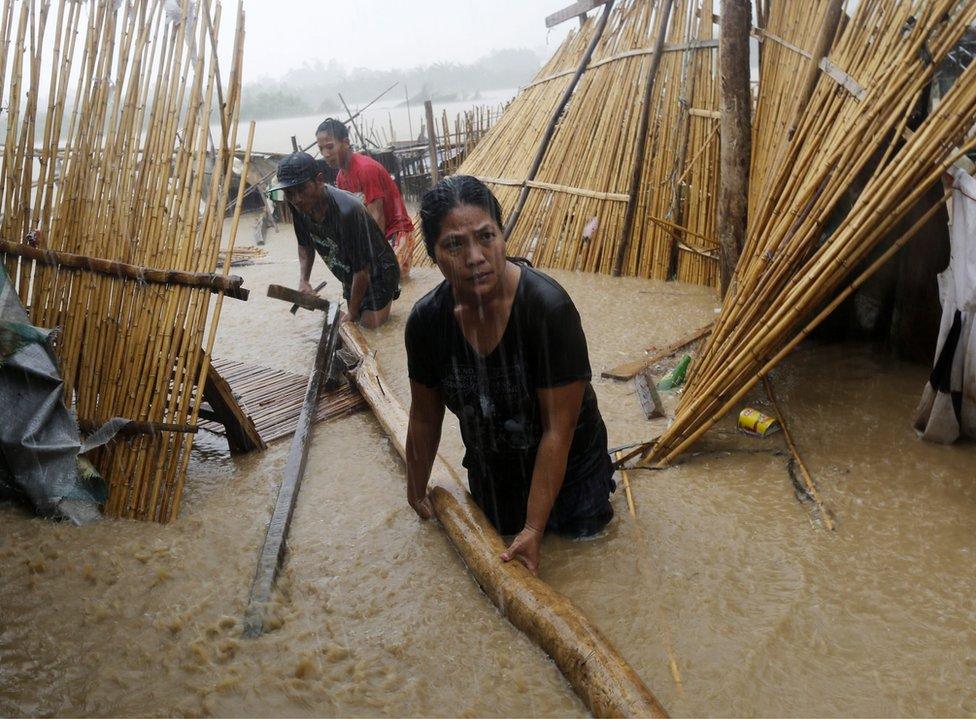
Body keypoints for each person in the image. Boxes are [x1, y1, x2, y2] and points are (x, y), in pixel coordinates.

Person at [403, 175, 615, 575]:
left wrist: (534, 527)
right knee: (499, 547)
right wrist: (416, 488)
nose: (475, 256)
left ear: (503, 237)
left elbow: (558, 429)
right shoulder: (427, 323)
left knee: (586, 552)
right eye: (454, 244)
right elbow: (425, 416)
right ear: (432, 255)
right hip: (495, 471)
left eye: (486, 237)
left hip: (571, 469)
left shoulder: (547, 310)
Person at [269, 151, 400, 328]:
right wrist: (304, 280)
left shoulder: (348, 211)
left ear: (319, 180)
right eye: (289, 193)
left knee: (369, 328)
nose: (296, 199)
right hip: (349, 273)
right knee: (347, 328)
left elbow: (363, 269)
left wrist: (352, 313)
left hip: (379, 272)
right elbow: (305, 244)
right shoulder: (297, 206)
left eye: (301, 189)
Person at [316, 118, 415, 279]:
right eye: (321, 149)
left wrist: (375, 257)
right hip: (373, 234)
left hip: (397, 233)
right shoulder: (341, 177)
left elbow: (378, 217)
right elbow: (349, 218)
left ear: (346, 142)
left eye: (330, 147)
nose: (326, 154)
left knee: (387, 282)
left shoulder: (365, 169)